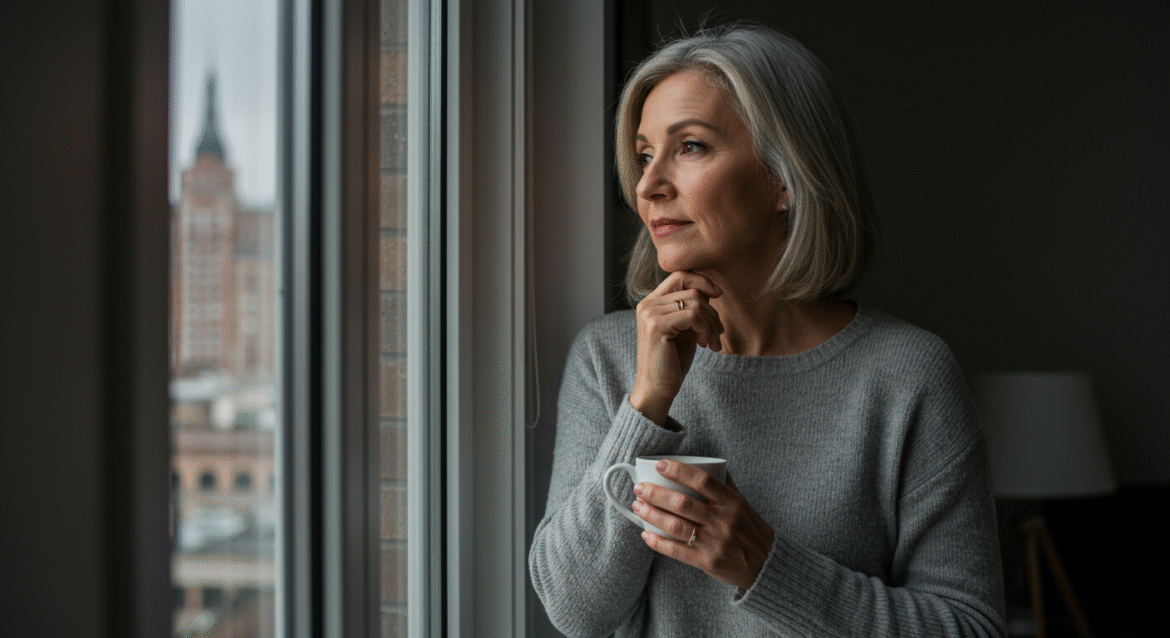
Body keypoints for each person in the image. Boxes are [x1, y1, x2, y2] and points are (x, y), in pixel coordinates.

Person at [529, 24, 1005, 638]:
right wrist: (646, 408)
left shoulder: (907, 374)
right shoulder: (610, 358)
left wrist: (764, 565)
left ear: (785, 176)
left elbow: (971, 628)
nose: (648, 186)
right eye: (645, 154)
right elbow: (575, 612)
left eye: (691, 147)